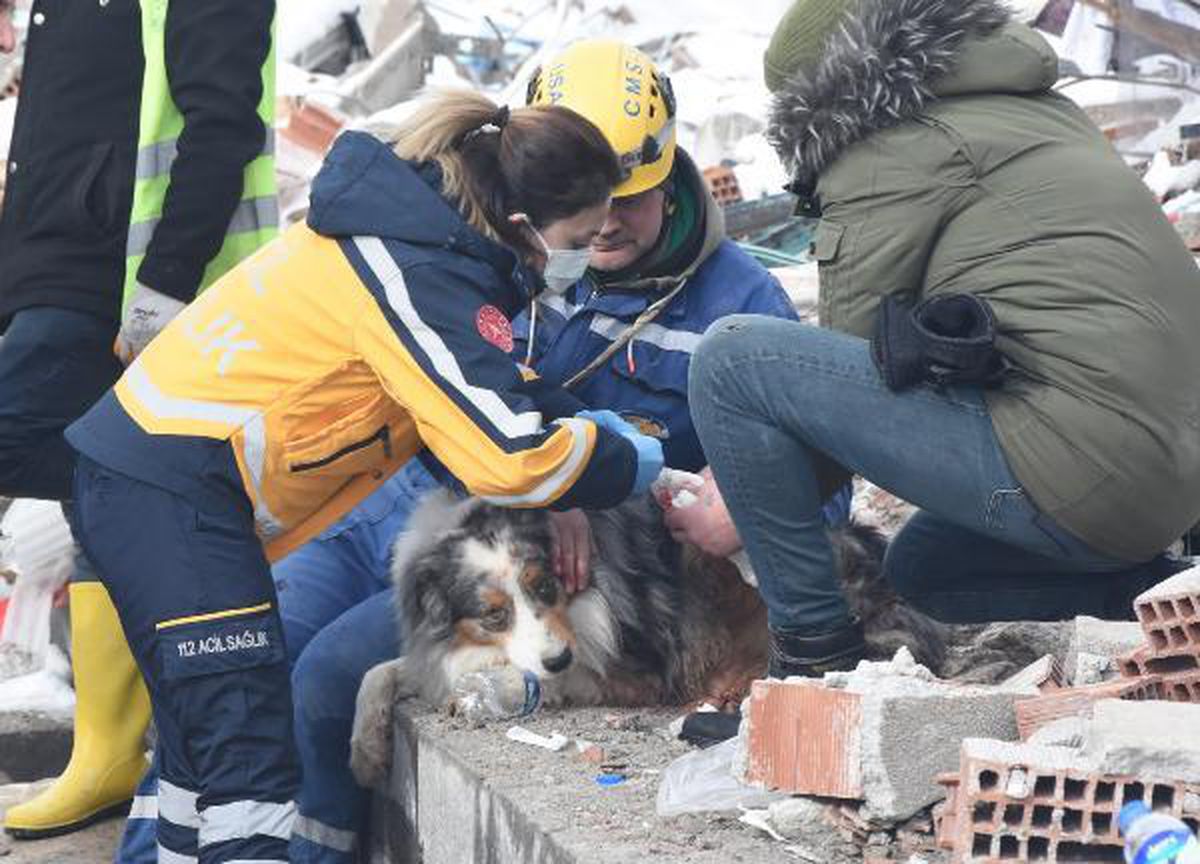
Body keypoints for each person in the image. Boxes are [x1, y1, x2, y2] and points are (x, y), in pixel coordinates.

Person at [112, 40, 851, 864]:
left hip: (526, 570)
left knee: (323, 682)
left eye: (629, 200)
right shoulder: (486, 249)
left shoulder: (739, 306)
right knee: (233, 658)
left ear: (670, 168)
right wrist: (551, 477)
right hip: (396, 502)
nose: (605, 224)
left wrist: (730, 508)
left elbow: (819, 493)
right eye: (582, 212)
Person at [64, 89, 662, 864]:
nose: (580, 257)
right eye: (577, 238)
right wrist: (616, 456)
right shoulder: (416, 272)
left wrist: (570, 431)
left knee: (198, 748)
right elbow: (506, 453)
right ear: (521, 226)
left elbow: (473, 388)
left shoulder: (408, 238)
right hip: (173, 495)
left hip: (144, 479)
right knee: (247, 756)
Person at [671, 0, 1200, 679]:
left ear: (812, 102)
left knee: (733, 361)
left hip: (1086, 465)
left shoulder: (886, 150)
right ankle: (1163, 597)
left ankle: (811, 665)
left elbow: (837, 396)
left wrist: (737, 507)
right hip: (1167, 485)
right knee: (926, 568)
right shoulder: (1033, 105)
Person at [0, 0, 277, 841]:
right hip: (47, 270)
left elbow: (221, 124)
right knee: (109, 497)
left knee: (104, 477)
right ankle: (108, 753)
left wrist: (163, 287)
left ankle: (124, 753)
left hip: (115, 282)